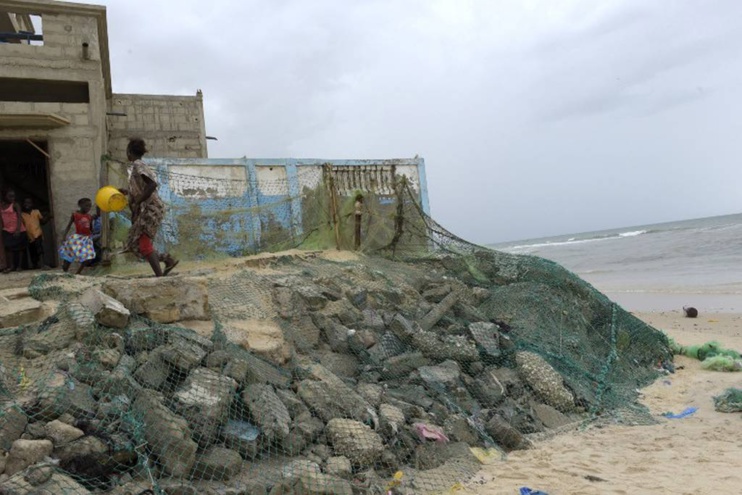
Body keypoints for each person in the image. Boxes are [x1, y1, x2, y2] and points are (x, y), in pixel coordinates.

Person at [121, 138, 178, 277]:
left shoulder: (138, 165)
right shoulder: (136, 167)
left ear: (129, 152)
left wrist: (138, 201)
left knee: (144, 243)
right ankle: (168, 260)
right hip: (147, 209)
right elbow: (142, 188)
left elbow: (152, 185)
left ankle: (159, 276)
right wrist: (127, 193)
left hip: (150, 209)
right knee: (134, 245)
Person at [58, 198, 96, 275]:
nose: (88, 208)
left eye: (89, 206)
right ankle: (65, 270)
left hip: (86, 239)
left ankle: (78, 273)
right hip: (77, 238)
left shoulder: (89, 217)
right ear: (80, 205)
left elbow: (91, 229)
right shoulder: (75, 215)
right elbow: (68, 226)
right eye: (86, 206)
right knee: (69, 254)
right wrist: (64, 236)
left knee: (88, 256)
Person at [1, 189, 28, 273]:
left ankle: (19, 266)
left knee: (19, 248)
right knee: (9, 248)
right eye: (10, 196)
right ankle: (12, 266)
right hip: (7, 230)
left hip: (18, 229)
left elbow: (20, 217)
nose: (12, 198)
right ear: (5, 196)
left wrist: (18, 229)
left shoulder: (15, 205)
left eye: (13, 196)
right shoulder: (1, 206)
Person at [21, 197, 51, 269]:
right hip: (29, 235)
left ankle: (42, 264)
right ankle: (35, 264)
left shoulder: (36, 212)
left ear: (32, 204)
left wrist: (48, 216)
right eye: (25, 203)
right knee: (32, 250)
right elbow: (22, 226)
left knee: (39, 249)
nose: (27, 204)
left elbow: (42, 222)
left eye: (29, 203)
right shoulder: (22, 215)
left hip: (38, 233)